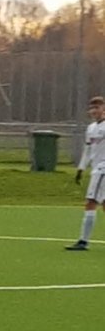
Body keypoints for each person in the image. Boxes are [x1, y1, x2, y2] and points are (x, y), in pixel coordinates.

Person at [66, 95, 105, 250]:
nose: (94, 111)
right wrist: (81, 168)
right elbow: (88, 150)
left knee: (90, 202)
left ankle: (83, 241)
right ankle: (83, 241)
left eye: (97, 107)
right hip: (96, 169)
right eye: (92, 108)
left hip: (103, 169)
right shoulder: (91, 128)